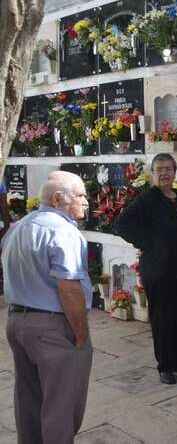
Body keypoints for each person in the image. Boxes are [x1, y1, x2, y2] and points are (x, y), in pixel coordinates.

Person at [2, 171, 92, 443]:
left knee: (28, 401)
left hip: (17, 322)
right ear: (58, 199)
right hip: (52, 327)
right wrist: (80, 335)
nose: (86, 201)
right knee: (61, 409)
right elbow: (69, 289)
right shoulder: (63, 231)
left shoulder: (20, 226)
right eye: (80, 195)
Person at [114, 153, 177, 385]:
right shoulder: (147, 200)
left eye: (168, 169)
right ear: (153, 173)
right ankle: (165, 366)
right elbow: (122, 224)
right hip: (159, 271)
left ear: (174, 172)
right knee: (163, 319)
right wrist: (148, 243)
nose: (164, 174)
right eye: (159, 169)